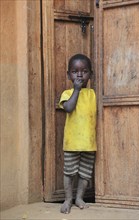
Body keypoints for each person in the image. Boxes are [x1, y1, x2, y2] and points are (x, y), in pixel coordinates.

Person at [59, 54, 97, 214]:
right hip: (72, 142)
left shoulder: (93, 94)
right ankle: (68, 199)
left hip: (89, 143)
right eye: (75, 72)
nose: (80, 75)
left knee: (85, 173)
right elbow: (68, 108)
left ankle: (79, 197)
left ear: (91, 74)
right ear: (69, 75)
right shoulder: (67, 93)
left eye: (84, 71)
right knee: (69, 172)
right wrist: (76, 89)